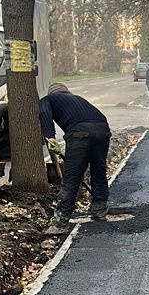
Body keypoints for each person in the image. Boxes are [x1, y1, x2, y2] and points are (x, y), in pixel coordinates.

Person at [39, 82, 111, 229]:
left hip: (80, 134)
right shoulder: (77, 99)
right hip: (102, 129)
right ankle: (100, 209)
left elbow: (44, 113)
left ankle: (60, 220)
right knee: (98, 170)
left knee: (72, 177)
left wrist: (49, 137)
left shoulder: (48, 99)